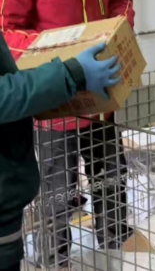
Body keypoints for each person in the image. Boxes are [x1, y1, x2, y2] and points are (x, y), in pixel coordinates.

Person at [0, 0, 135, 269]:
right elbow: (6, 32)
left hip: (101, 91)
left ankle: (117, 246)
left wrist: (117, 33)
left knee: (111, 175)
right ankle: (54, 259)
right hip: (54, 98)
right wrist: (62, 58)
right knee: (56, 189)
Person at [0, 41, 122, 271]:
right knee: (57, 194)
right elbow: (16, 39)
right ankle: (55, 262)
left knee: (111, 183)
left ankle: (117, 254)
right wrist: (67, 73)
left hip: (90, 102)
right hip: (54, 107)